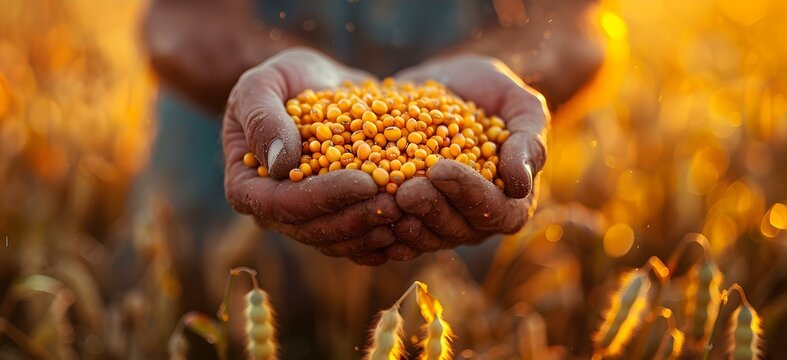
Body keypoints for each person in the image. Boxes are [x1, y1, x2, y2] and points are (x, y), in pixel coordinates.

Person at [138, 0, 605, 356]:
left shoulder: (460, 139)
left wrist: (509, 77)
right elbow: (179, 24)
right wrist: (265, 82)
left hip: (462, 226)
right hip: (217, 165)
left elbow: (571, 26)